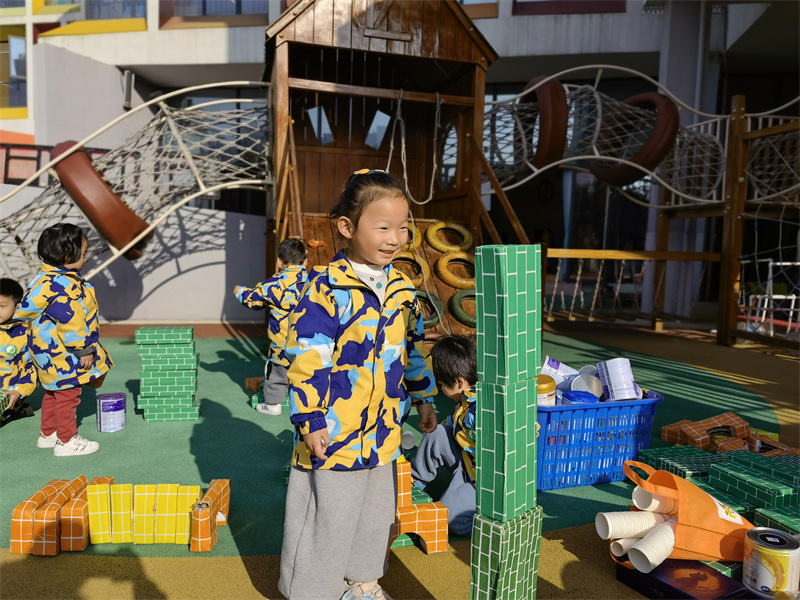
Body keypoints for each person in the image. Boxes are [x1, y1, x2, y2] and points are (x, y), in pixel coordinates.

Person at [278, 169, 438, 600]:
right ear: (347, 228)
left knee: (374, 516)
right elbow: (307, 359)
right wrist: (310, 419)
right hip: (334, 432)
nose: (395, 238)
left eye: (402, 227)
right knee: (328, 519)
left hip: (383, 431)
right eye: (383, 227)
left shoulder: (402, 289)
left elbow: (411, 350)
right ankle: (313, 593)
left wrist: (423, 397)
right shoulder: (326, 288)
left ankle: (363, 582)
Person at [14, 224, 113, 456]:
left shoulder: (43, 279)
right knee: (69, 395)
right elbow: (72, 321)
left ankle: (48, 433)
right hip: (63, 352)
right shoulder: (64, 286)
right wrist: (84, 349)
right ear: (68, 256)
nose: (85, 258)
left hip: (44, 352)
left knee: (53, 391)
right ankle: (67, 440)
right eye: (83, 253)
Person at [410, 334, 477, 536]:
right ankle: (415, 479)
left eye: (442, 385)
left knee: (450, 519)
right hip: (466, 461)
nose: (441, 389)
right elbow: (455, 423)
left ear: (459, 382)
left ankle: (483, 517)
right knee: (437, 432)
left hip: (480, 479)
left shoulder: (481, 410)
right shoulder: (466, 399)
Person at [234, 237, 308, 416]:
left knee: (275, 373)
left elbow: (253, 301)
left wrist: (240, 292)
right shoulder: (315, 282)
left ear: (279, 262)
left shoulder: (272, 284)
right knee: (310, 373)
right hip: (309, 344)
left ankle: (273, 404)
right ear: (305, 261)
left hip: (282, 345)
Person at [0, 278, 37, 427]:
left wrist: (19, 391)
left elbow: (32, 368)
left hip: (8, 393)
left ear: (17, 306)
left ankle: (17, 410)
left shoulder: (26, 334)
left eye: (2, 306)